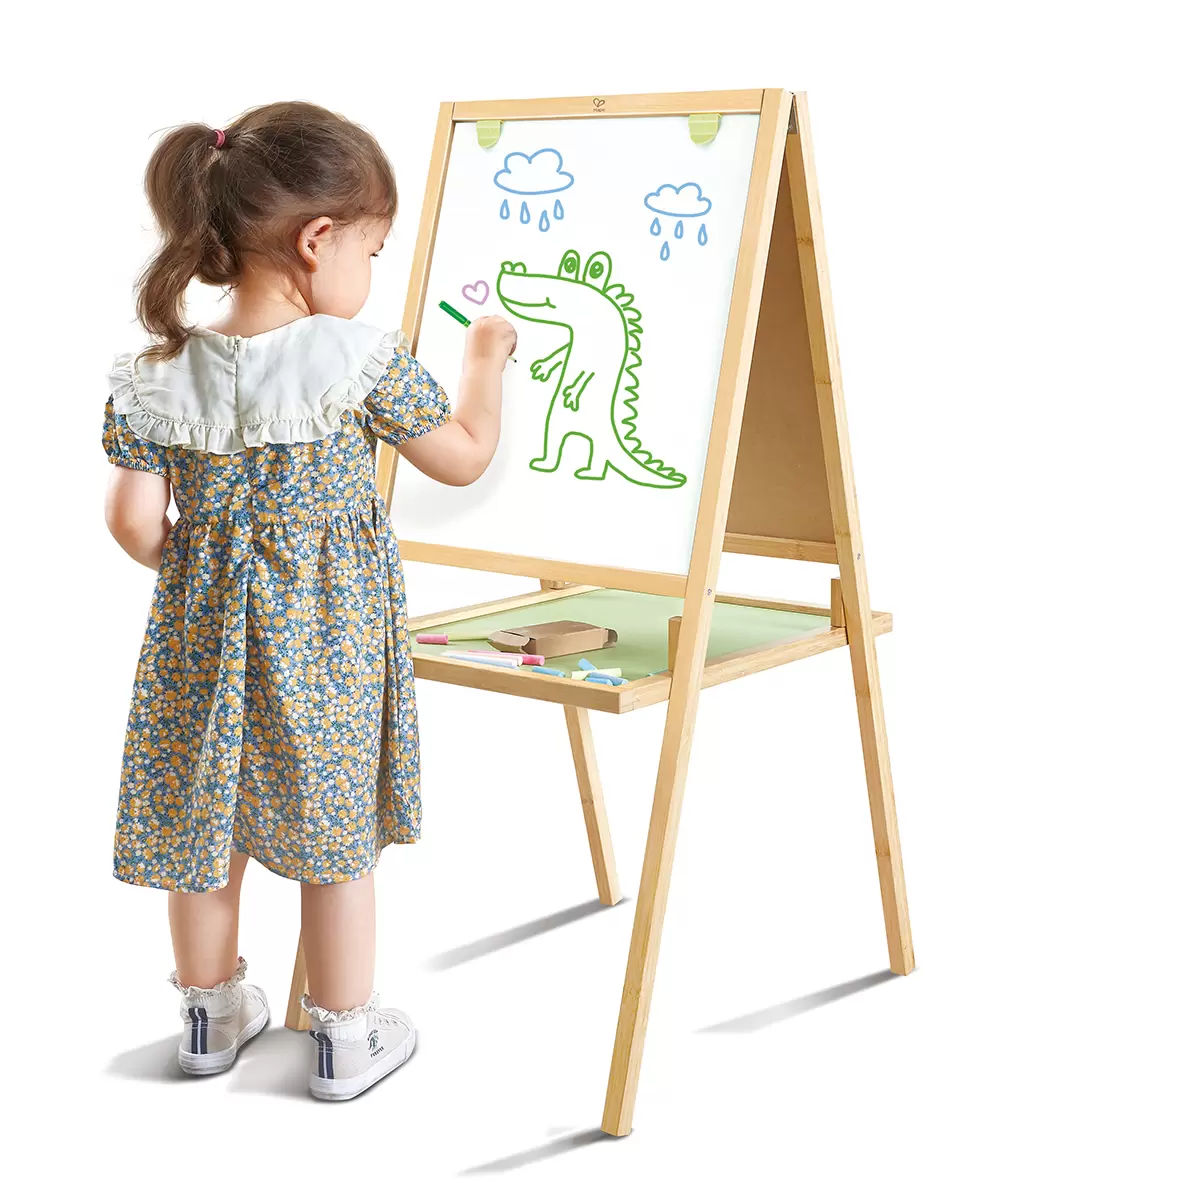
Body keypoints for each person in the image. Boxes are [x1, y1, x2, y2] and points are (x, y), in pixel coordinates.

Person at [102, 101, 516, 1100]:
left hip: (199, 645)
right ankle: (344, 1040)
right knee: (337, 843)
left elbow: (132, 522)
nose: (371, 269)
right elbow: (462, 457)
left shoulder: (159, 371)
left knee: (206, 833)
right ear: (317, 239)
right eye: (372, 248)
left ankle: (208, 1020)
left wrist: (211, 576)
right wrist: (483, 363)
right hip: (327, 644)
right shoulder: (357, 358)